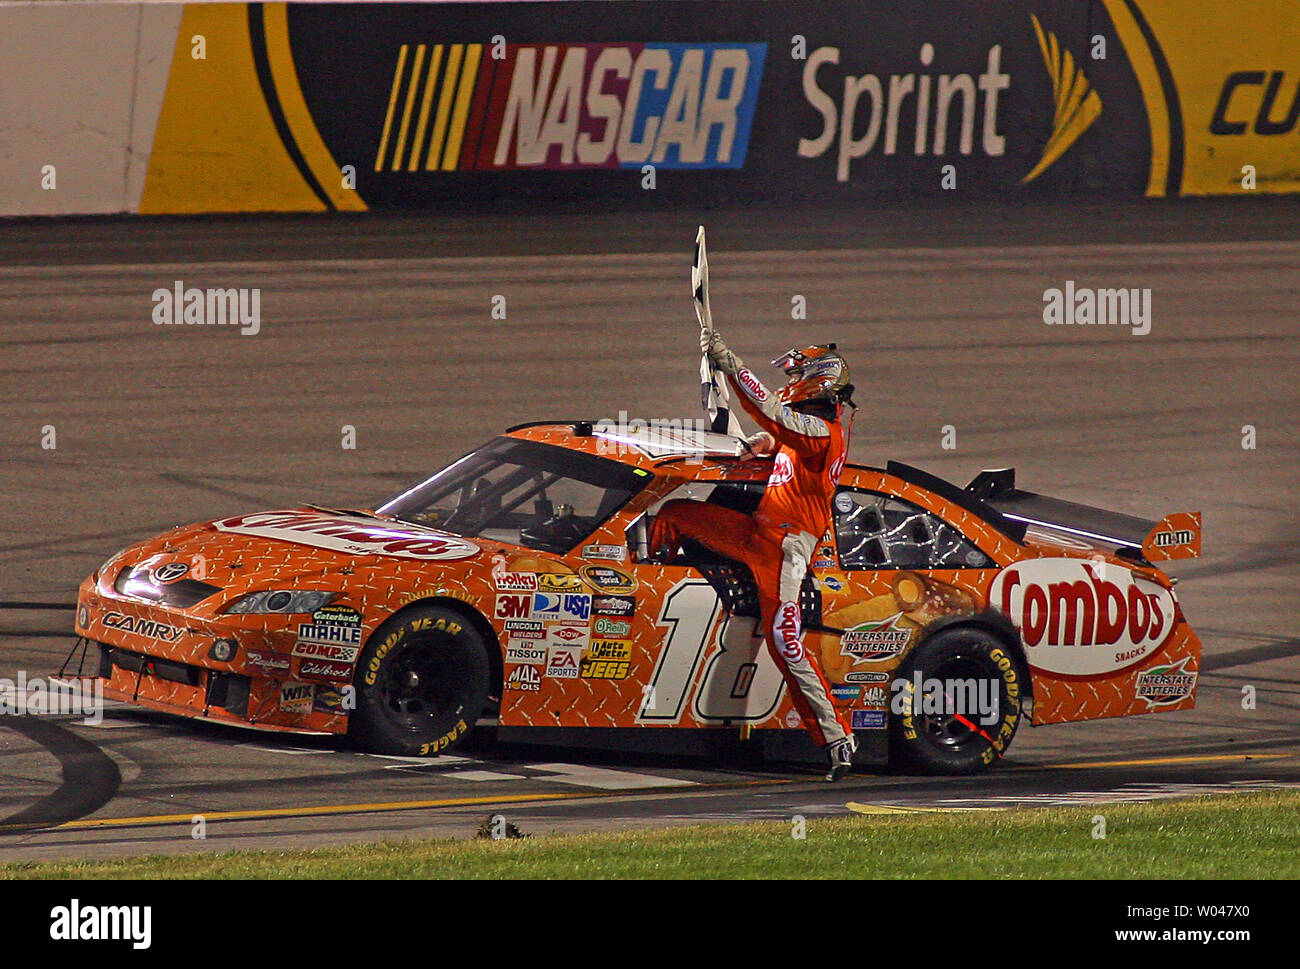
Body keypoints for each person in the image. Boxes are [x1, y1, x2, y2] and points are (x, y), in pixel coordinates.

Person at [648, 328, 859, 780]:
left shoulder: (821, 432)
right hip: (756, 533)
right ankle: (650, 585)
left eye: (797, 372)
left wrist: (732, 365)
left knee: (785, 642)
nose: (790, 378)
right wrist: (759, 445)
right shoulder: (812, 430)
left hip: (784, 552)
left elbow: (773, 414)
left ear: (816, 380)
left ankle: (837, 737)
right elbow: (778, 437)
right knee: (676, 513)